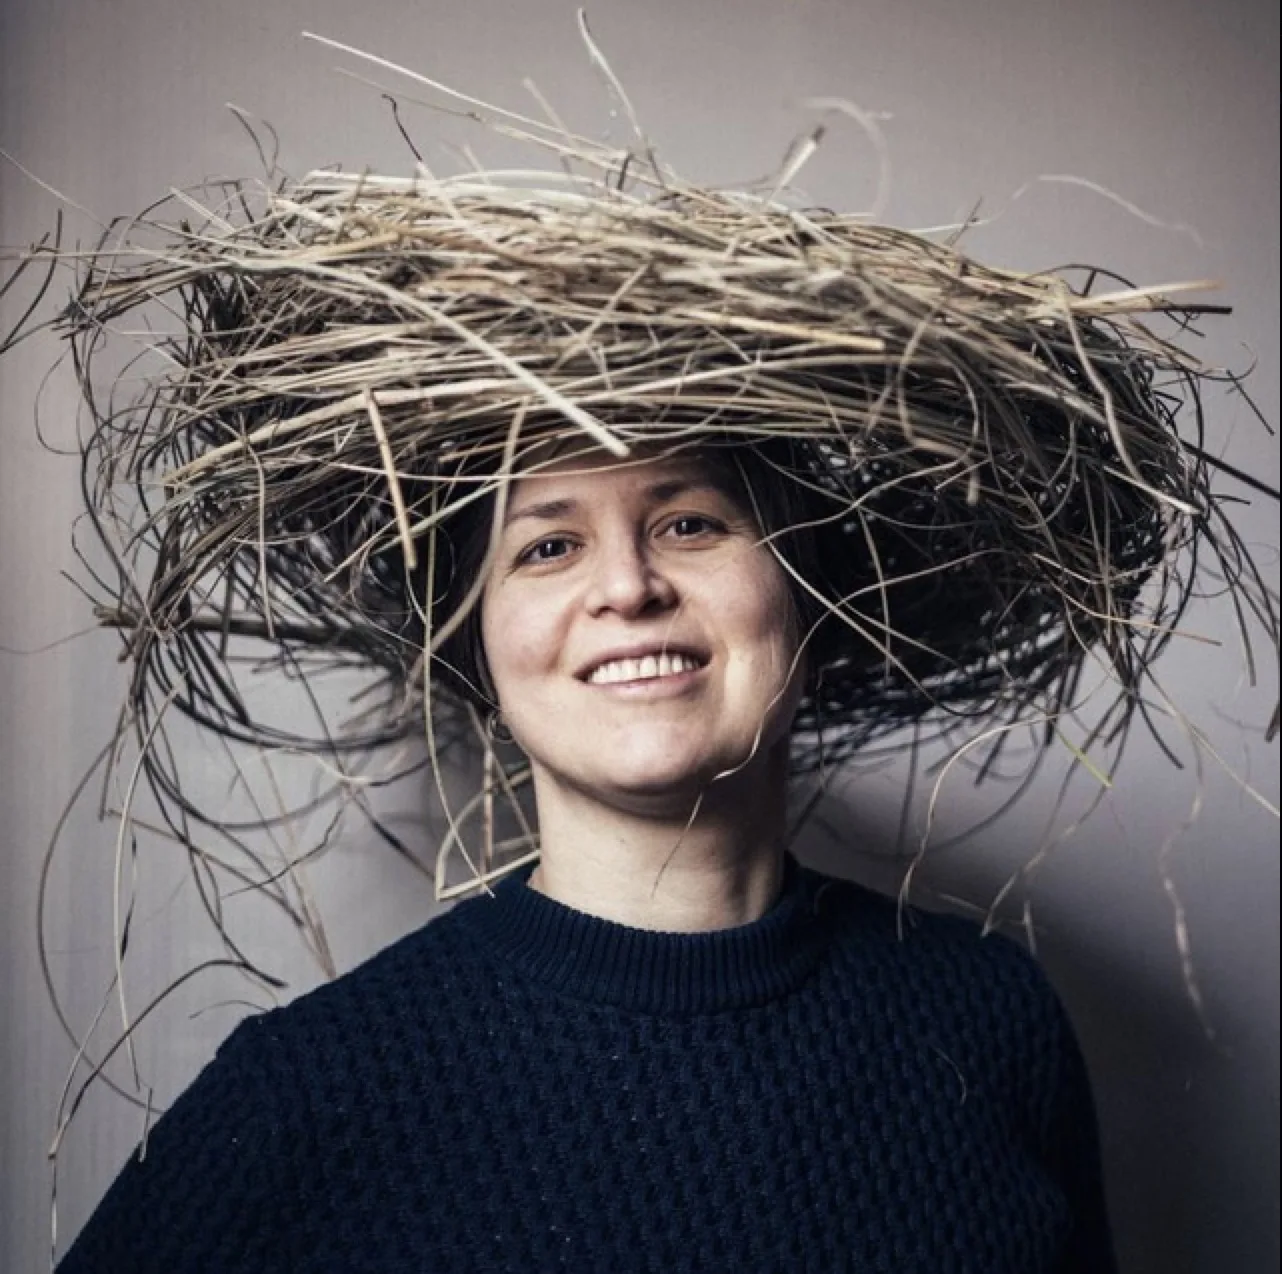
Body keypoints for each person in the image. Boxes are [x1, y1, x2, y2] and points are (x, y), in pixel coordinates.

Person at [56, 436, 1118, 1272]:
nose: (628, 586)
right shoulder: (313, 1087)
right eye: (548, 546)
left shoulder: (991, 1017)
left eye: (689, 522)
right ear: (476, 648)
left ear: (806, 595)